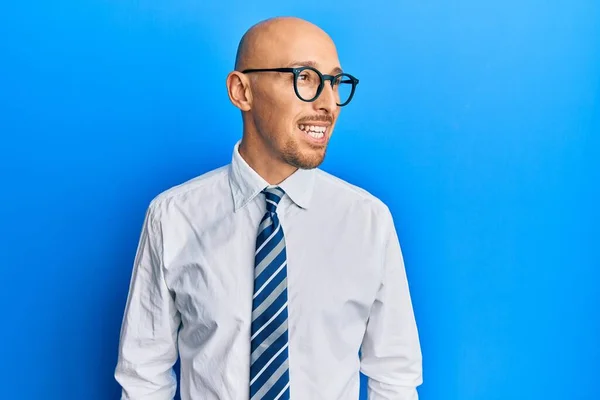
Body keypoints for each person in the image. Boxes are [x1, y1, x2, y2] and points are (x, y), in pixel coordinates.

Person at [114, 16, 423, 400]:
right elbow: (144, 376)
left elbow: (394, 376)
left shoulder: (368, 221)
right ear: (242, 91)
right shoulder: (173, 217)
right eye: (305, 77)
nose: (328, 104)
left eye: (335, 82)